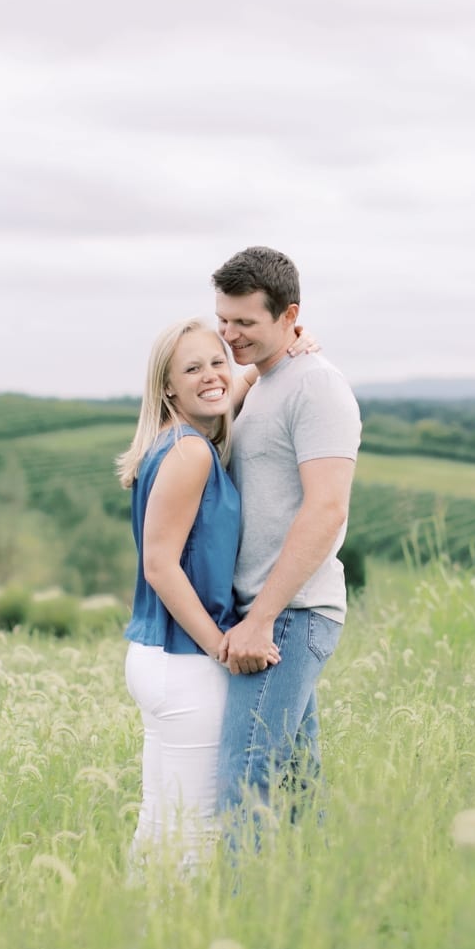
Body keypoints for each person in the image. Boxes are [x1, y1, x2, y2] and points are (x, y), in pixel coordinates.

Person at [115, 316, 311, 873]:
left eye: (218, 361)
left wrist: (284, 347)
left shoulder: (172, 443)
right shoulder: (191, 454)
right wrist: (221, 646)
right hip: (186, 660)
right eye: (192, 368)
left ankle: (132, 938)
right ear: (167, 386)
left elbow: (228, 388)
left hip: (156, 657)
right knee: (196, 834)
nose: (211, 375)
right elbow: (160, 565)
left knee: (161, 824)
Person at [211, 246, 362, 842]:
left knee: (244, 785)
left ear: (288, 315)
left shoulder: (317, 388)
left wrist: (261, 620)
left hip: (289, 617)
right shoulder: (268, 381)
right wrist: (250, 368)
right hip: (271, 615)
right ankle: (312, 914)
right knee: (298, 794)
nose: (229, 334)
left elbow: (326, 509)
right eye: (224, 319)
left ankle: (240, 926)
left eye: (245, 322)